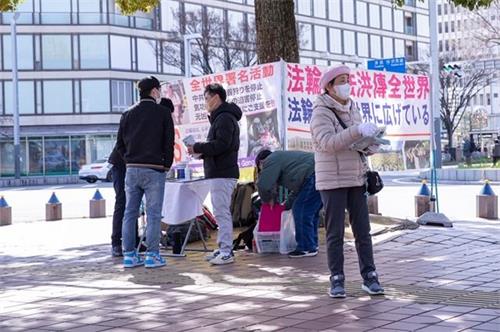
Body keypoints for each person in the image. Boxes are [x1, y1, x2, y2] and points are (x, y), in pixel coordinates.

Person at [310, 65, 384, 298]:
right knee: (335, 233)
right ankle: (337, 279)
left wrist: (371, 143)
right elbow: (328, 143)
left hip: (356, 177)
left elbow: (356, 141)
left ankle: (370, 276)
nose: (347, 85)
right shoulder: (320, 112)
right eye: (341, 81)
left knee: (363, 231)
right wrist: (356, 131)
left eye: (348, 80)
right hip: (332, 181)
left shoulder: (354, 109)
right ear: (329, 87)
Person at [116, 76, 175, 268]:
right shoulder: (163, 113)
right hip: (155, 169)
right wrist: (166, 165)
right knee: (154, 214)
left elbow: (120, 145)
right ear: (155, 91)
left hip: (131, 169)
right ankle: (152, 255)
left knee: (130, 212)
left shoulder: (127, 113)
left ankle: (129, 255)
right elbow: (168, 143)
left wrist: (129, 160)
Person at [187, 83, 242, 265]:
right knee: (220, 212)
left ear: (216, 97)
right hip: (219, 172)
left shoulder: (224, 118)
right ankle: (223, 247)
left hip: (222, 173)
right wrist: (200, 152)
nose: (205, 102)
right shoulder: (222, 118)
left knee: (222, 213)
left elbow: (222, 145)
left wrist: (198, 147)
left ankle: (227, 251)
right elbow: (220, 146)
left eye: (206, 97)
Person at [254, 150, 322, 258]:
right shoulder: (288, 162)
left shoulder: (271, 160)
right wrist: (285, 206)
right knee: (310, 212)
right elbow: (298, 191)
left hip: (313, 175)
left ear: (261, 162)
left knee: (301, 210)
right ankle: (312, 243)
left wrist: (268, 200)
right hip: (320, 172)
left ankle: (306, 247)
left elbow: (263, 185)